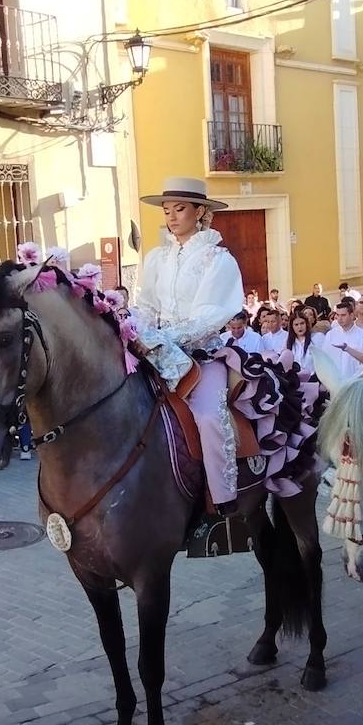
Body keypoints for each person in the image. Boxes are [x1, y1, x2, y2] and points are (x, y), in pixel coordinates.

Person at [136, 177, 244, 514]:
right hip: (154, 353)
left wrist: (166, 339)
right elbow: (146, 305)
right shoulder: (156, 258)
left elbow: (210, 315)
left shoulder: (218, 260)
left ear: (200, 212)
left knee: (210, 417)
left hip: (202, 357)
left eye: (179, 209)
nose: (171, 216)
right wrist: (137, 331)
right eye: (167, 210)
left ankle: (224, 503)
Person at [321, 298, 363, 380]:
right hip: (334, 383)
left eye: (343, 315)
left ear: (352, 315)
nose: (339, 318)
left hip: (354, 383)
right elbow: (325, 359)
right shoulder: (331, 335)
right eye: (338, 315)